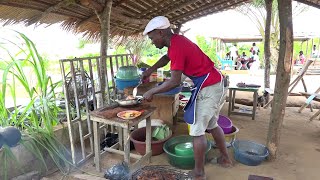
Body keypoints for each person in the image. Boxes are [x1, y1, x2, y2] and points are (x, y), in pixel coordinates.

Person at [141, 16, 232, 179]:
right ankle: (225, 158)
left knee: (197, 131)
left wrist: (152, 92)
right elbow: (166, 58)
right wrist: (150, 69)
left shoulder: (176, 46)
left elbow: (175, 81)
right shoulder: (176, 41)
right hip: (213, 83)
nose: (152, 42)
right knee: (212, 124)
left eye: (152, 37)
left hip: (209, 86)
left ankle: (199, 173)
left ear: (161, 33)